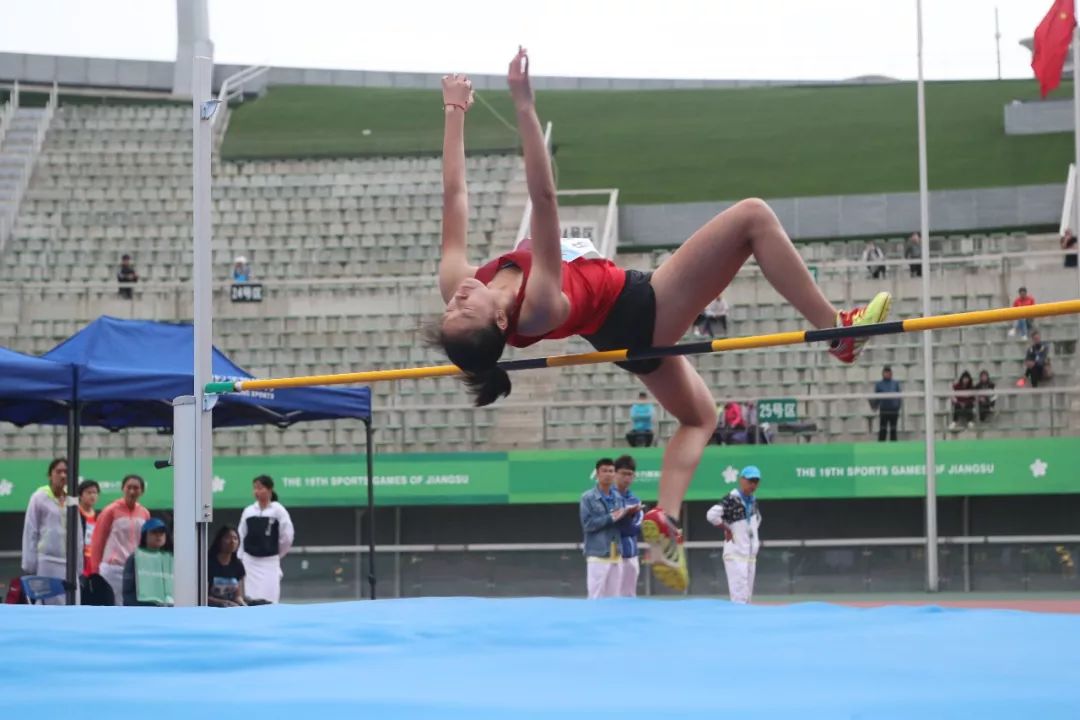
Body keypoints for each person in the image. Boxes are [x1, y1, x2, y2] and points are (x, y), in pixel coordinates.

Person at [430, 50, 890, 592]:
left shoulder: (466, 280)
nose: (457, 297)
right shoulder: (539, 303)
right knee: (753, 216)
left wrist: (454, 111)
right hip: (642, 308)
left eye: (452, 307)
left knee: (702, 417)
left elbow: (455, 196)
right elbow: (545, 198)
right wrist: (525, 107)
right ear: (501, 319)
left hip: (627, 340)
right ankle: (835, 331)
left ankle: (665, 518)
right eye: (465, 310)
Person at [21, 458, 80, 604]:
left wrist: (79, 563)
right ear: (50, 475)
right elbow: (31, 530)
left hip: (68, 562)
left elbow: (77, 532)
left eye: (66, 472)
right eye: (58, 471)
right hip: (47, 561)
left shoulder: (72, 498)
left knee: (72, 602)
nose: (62, 475)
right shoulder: (39, 497)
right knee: (48, 604)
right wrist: (30, 563)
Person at [706, 465, 763, 604]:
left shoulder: (753, 500)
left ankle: (746, 624)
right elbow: (711, 515)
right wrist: (726, 528)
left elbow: (754, 523)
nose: (753, 484)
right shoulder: (732, 499)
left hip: (750, 556)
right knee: (739, 597)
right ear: (741, 480)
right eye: (750, 481)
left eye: (756, 481)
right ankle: (737, 624)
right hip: (736, 554)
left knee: (747, 597)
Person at [90, 474, 150, 605]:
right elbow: (98, 541)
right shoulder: (110, 511)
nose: (132, 491)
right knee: (113, 606)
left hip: (135, 569)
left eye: (136, 488)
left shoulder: (144, 513)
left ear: (142, 491)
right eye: (129, 487)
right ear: (123, 488)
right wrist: (95, 571)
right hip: (112, 569)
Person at [579, 458, 634, 599]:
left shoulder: (618, 497)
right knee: (595, 597)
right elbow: (588, 524)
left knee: (614, 598)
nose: (608, 474)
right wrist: (612, 517)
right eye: (604, 471)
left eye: (611, 471)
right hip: (598, 554)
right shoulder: (588, 497)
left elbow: (622, 524)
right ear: (597, 474)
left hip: (616, 554)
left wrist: (630, 514)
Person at [238, 475, 294, 604]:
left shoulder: (278, 510)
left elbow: (287, 536)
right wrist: (240, 557)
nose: (256, 491)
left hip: (270, 562)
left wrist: (276, 553)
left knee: (270, 598)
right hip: (250, 562)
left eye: (260, 488)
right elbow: (241, 534)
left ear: (270, 490)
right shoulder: (248, 511)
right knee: (250, 599)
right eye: (254, 488)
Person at [121, 518, 173, 607]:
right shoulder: (135, 558)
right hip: (143, 609)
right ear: (145, 535)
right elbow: (127, 591)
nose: (158, 535)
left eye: (162, 532)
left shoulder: (171, 558)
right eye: (154, 532)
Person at [613, 455, 643, 598]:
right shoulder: (606, 498)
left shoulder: (635, 500)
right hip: (611, 557)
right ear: (615, 473)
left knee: (630, 598)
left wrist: (623, 519)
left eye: (630, 474)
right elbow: (609, 525)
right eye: (623, 473)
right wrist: (626, 517)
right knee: (610, 598)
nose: (627, 478)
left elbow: (635, 529)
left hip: (631, 556)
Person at [208, 525, 247, 607]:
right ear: (219, 541)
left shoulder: (238, 565)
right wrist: (223, 603)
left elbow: (238, 596)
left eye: (235, 538)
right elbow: (202, 596)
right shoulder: (208, 563)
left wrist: (243, 605)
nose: (232, 541)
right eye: (228, 538)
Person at [870, 366, 901, 442]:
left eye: (888, 373)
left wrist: (898, 406)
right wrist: (875, 406)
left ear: (891, 373)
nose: (887, 374)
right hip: (884, 410)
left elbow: (899, 396)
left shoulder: (895, 384)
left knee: (893, 429)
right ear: (883, 374)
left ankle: (893, 447)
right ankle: (881, 447)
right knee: (883, 429)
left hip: (893, 410)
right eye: (885, 373)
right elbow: (877, 397)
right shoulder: (879, 384)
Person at [76, 479, 100, 577]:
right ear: (80, 495)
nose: (92, 495)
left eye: (95, 493)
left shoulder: (99, 516)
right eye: (89, 492)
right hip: (79, 559)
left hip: (93, 560)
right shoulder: (75, 513)